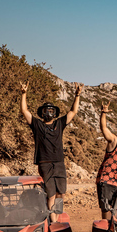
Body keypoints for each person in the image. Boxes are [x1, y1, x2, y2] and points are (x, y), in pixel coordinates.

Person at [19, 81, 83, 222]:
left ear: (55, 113)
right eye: (46, 110)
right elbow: (25, 111)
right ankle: (53, 221)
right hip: (45, 163)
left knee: (61, 193)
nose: (49, 113)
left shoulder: (59, 124)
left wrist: (77, 95)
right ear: (42, 112)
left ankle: (58, 217)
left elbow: (73, 112)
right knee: (51, 194)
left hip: (59, 162)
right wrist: (24, 93)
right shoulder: (37, 125)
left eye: (52, 110)